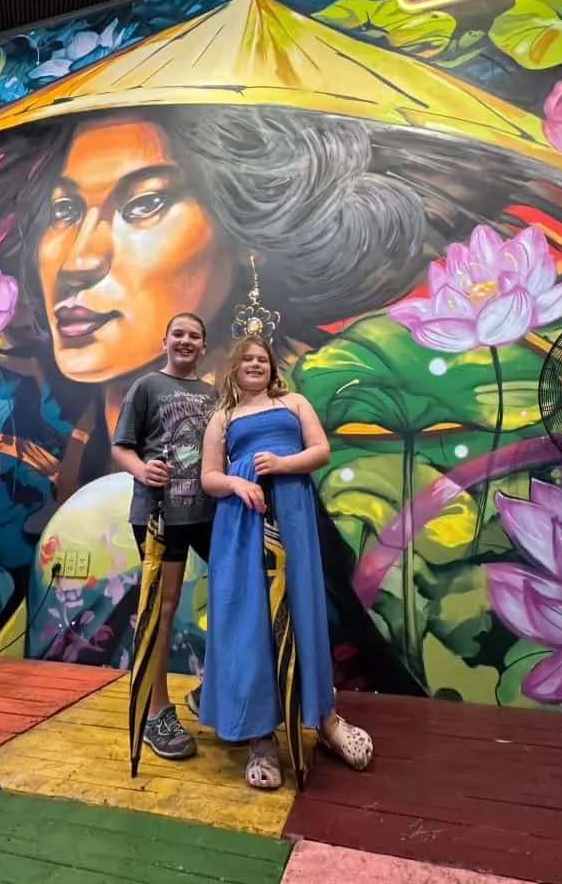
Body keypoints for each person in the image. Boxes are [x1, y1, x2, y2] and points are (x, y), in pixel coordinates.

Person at [199, 334, 374, 788]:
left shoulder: (294, 402)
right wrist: (238, 484)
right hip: (242, 521)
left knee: (304, 613)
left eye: (263, 359)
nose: (256, 364)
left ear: (272, 367)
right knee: (248, 619)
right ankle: (260, 736)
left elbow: (321, 451)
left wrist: (282, 463)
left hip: (293, 515)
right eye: (247, 359)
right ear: (234, 368)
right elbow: (210, 477)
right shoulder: (223, 416)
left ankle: (326, 719)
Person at [112, 311, 217, 759]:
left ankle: (210, 691)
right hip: (161, 514)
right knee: (163, 607)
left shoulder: (213, 394)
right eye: (179, 333)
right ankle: (157, 712)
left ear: (203, 345)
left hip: (207, 513)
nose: (186, 341)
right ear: (165, 339)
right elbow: (121, 446)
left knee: (242, 590)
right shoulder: (147, 387)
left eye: (194, 335)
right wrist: (142, 468)